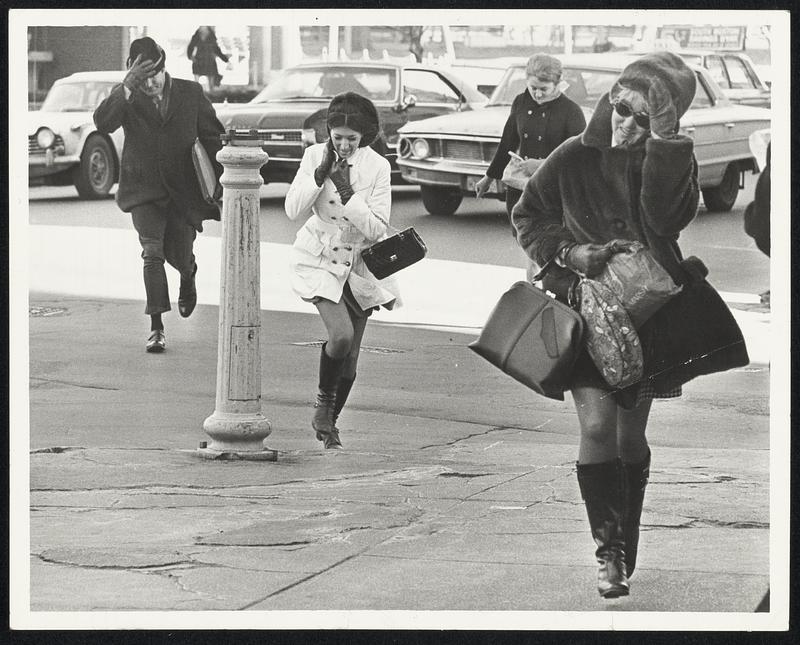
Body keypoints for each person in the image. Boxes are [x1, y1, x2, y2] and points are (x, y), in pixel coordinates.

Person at [512, 51, 699, 598]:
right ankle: (609, 552)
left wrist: (662, 147)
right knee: (596, 428)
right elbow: (528, 215)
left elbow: (669, 219)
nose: (626, 124)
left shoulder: (666, 162)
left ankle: (625, 526)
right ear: (608, 101)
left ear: (662, 123)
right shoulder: (573, 156)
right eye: (621, 108)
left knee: (629, 435)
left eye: (645, 118)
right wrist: (570, 253)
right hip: (584, 310)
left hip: (645, 315)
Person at [284, 92, 400, 450]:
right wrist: (319, 176)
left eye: (353, 139)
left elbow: (378, 228)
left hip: (359, 263)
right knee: (341, 336)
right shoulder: (312, 156)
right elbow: (292, 210)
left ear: (364, 136)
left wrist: (348, 191)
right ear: (328, 133)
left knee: (349, 363)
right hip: (319, 257)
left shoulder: (378, 166)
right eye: (338, 138)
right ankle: (323, 407)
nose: (345, 145)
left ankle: (329, 424)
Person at [94, 36, 224, 352]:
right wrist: (126, 86)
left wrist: (216, 183)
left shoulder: (190, 93)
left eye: (155, 74)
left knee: (179, 253)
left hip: (183, 191)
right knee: (152, 252)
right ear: (132, 74)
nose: (150, 83)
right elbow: (102, 123)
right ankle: (156, 327)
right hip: (143, 191)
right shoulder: (126, 96)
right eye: (143, 77)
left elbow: (212, 137)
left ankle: (188, 274)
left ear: (164, 68)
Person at [475, 54, 586, 231]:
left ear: (557, 84)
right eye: (533, 87)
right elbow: (507, 143)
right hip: (520, 189)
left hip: (552, 192)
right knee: (523, 239)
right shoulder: (520, 102)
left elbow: (579, 158)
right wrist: (488, 178)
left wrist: (541, 165)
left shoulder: (571, 111)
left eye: (544, 88)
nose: (538, 93)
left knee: (545, 245)